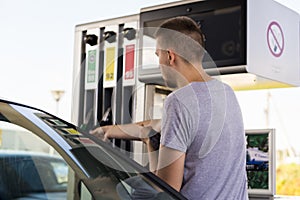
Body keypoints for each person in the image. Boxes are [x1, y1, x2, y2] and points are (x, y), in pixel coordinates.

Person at [91, 16, 248, 199]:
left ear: (170, 56)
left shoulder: (179, 101)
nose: (159, 64)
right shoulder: (225, 92)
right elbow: (157, 125)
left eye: (158, 55)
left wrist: (111, 181)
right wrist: (107, 131)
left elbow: (166, 188)